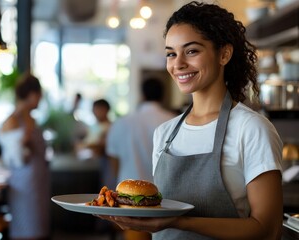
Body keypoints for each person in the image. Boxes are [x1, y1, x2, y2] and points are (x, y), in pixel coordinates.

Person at [98, 2, 283, 240]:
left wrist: (182, 222)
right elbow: (160, 213)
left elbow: (268, 230)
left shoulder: (251, 129)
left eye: (192, 51)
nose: (178, 64)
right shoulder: (164, 133)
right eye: (171, 54)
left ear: (224, 54)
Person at [105, 77, 175, 240]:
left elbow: (113, 161)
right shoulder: (174, 120)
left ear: (142, 95)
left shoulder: (121, 123)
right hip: (168, 201)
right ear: (163, 96)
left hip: (128, 203)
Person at [0, 72, 50, 240]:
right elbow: (14, 157)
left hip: (38, 181)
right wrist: (23, 142)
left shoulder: (30, 118)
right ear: (32, 95)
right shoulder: (13, 120)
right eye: (39, 95)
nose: (40, 99)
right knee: (26, 229)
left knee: (39, 228)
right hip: (23, 184)